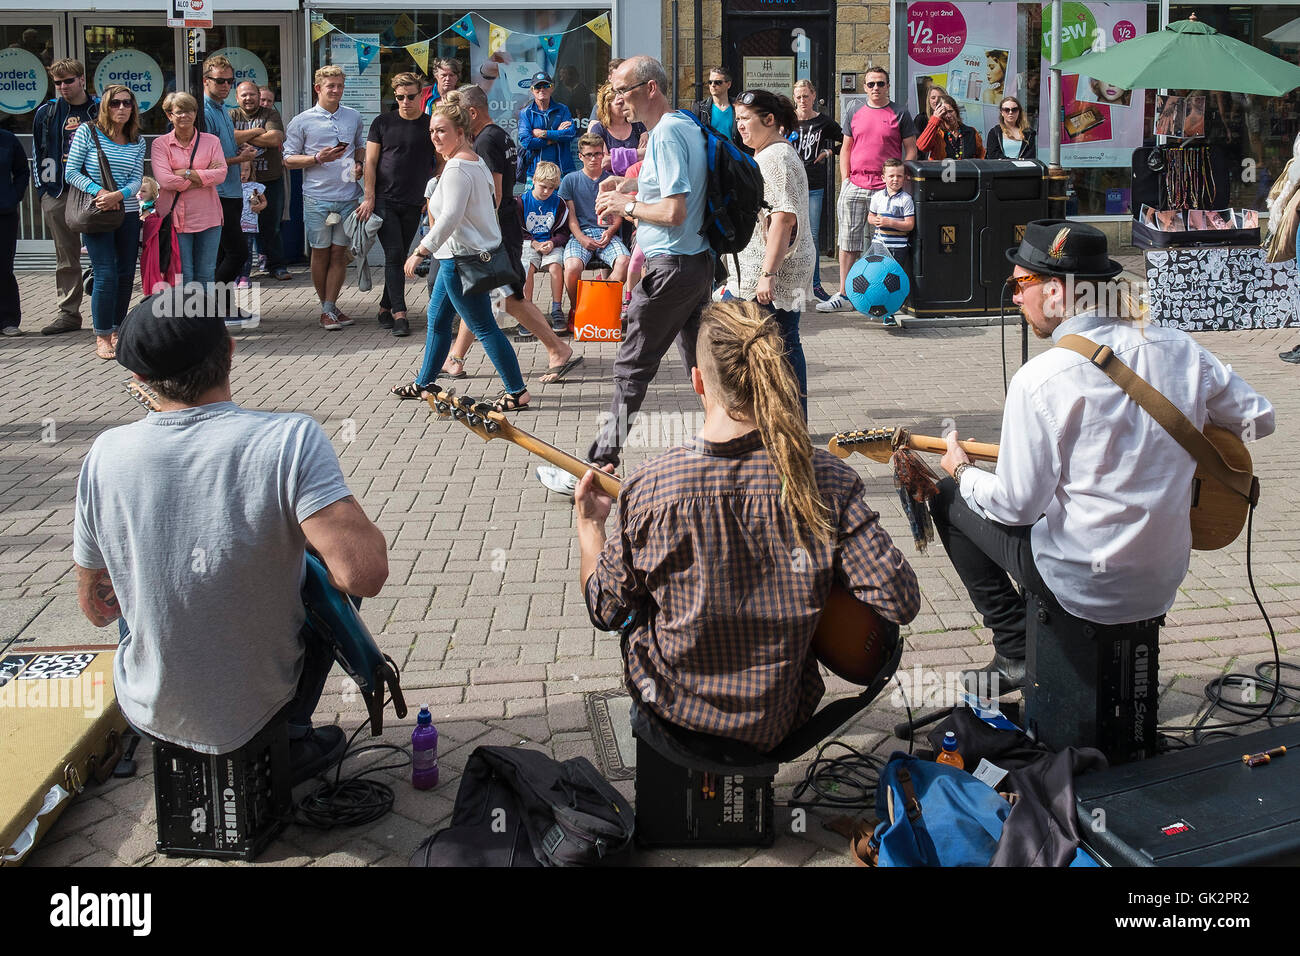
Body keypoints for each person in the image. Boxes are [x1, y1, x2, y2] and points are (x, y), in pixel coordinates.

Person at [932, 220, 1274, 687]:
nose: (1014, 296)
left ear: (1054, 291)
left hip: (1083, 584)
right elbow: (1261, 418)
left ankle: (1013, 649)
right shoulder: (1178, 347)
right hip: (1162, 577)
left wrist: (964, 470)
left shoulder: (1042, 377)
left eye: (1020, 283)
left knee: (948, 497)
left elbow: (1016, 506)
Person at [73, 286, 388, 778]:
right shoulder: (290, 439)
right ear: (232, 353)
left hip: (150, 706)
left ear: (138, 377)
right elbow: (364, 574)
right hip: (263, 704)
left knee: (135, 572)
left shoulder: (104, 453)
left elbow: (96, 609)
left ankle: (182, 716)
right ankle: (290, 736)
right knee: (320, 571)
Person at [576, 299, 920, 748]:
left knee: (637, 599)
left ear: (697, 381)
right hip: (782, 718)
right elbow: (902, 601)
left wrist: (590, 528)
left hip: (674, 719)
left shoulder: (648, 488)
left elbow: (606, 610)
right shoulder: (829, 479)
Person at [537, 55, 713, 495]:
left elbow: (674, 211)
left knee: (631, 367)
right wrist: (628, 186)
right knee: (701, 368)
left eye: (622, 90)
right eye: (614, 91)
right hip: (693, 264)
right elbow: (676, 189)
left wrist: (624, 206)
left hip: (671, 268)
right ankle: (737, 450)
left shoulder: (668, 133)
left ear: (650, 88)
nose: (617, 100)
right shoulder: (680, 124)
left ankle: (598, 467)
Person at [393, 97, 533, 414]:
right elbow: (487, 204)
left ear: (461, 131)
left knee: (482, 326)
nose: (435, 137)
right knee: (438, 320)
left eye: (442, 131)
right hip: (455, 257)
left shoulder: (457, 167)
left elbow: (449, 217)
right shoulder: (474, 161)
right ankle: (425, 382)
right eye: (432, 131)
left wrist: (419, 251)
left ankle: (517, 391)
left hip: (460, 259)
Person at [438, 85, 580, 377]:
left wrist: (482, 231)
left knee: (510, 297)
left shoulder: (487, 141)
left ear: (472, 112)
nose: (459, 122)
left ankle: (556, 347)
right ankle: (456, 358)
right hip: (500, 230)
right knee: (484, 294)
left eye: (461, 115)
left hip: (498, 232)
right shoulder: (499, 136)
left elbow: (496, 194)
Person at [728, 90, 814, 416]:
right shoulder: (772, 154)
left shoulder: (776, 158)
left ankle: (789, 420)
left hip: (776, 272)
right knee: (783, 340)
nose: (740, 127)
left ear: (769, 120)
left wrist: (768, 274)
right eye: (737, 120)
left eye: (746, 119)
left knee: (778, 343)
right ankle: (790, 419)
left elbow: (783, 218)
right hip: (777, 268)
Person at [817, 66, 916, 314]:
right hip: (856, 185)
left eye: (880, 84)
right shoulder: (854, 111)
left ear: (888, 86)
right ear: (864, 87)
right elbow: (846, 148)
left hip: (885, 190)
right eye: (871, 84)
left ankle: (886, 298)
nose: (875, 88)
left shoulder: (900, 113)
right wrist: (846, 179)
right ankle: (844, 295)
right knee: (848, 242)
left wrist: (899, 181)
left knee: (886, 245)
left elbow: (911, 150)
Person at [65, 84, 145, 360]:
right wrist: (101, 193)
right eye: (115, 103)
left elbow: (137, 178)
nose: (121, 108)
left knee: (125, 274)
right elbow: (71, 171)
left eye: (127, 103)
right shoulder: (88, 132)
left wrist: (119, 195)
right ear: (105, 107)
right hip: (97, 210)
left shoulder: (136, 139)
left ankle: (117, 330)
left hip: (129, 212)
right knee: (105, 274)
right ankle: (101, 334)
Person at [283, 65, 366, 331]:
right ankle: (326, 308)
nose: (336, 90)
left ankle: (330, 307)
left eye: (340, 85)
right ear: (318, 88)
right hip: (317, 197)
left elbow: (360, 147)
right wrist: (317, 158)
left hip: (347, 196)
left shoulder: (353, 116)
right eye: (331, 86)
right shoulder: (302, 120)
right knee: (320, 253)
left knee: (339, 254)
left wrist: (359, 165)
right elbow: (288, 159)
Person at [358, 72, 438, 338]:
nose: (405, 101)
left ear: (420, 95)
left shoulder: (429, 125)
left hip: (414, 201)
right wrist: (369, 196)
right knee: (394, 255)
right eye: (400, 97)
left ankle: (383, 306)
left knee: (399, 254)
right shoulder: (382, 122)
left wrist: (432, 197)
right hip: (384, 200)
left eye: (411, 96)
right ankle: (399, 313)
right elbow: (370, 162)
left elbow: (440, 161)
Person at [33, 58, 99, 336]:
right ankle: (68, 313)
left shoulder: (100, 108)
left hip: (94, 191)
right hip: (58, 191)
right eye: (58, 82)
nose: (63, 87)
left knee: (102, 255)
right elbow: (38, 152)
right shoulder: (46, 112)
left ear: (82, 79)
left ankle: (106, 314)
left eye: (68, 81)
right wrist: (43, 193)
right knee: (66, 257)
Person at [151, 91, 225, 290]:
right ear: (169, 115)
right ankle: (185, 320)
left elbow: (221, 174)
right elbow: (165, 181)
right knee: (184, 273)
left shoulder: (211, 141)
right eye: (179, 111)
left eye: (190, 110)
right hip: (175, 219)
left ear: (195, 113)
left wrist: (184, 172)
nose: (185, 115)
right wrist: (203, 178)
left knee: (206, 272)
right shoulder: (160, 144)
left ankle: (205, 320)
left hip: (209, 216)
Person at [201, 55, 258, 288]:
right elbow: (205, 162)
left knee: (225, 254)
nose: (226, 86)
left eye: (229, 81)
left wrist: (238, 147)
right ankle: (205, 299)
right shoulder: (204, 112)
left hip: (231, 190)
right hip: (218, 192)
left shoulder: (223, 108)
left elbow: (222, 145)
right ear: (206, 81)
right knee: (237, 253)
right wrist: (239, 158)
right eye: (219, 81)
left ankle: (221, 307)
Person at [561, 134, 631, 314]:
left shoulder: (611, 179)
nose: (594, 159)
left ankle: (600, 304)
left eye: (598, 154)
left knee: (624, 262)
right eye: (589, 154)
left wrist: (611, 230)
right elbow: (571, 217)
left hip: (607, 232)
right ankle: (577, 309)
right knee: (572, 267)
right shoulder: (570, 180)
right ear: (581, 156)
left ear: (603, 154)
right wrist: (581, 238)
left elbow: (618, 213)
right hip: (580, 233)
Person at [231, 80, 291, 281]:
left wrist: (242, 138)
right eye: (244, 95)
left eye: (252, 94)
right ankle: (241, 270)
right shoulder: (231, 115)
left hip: (270, 179)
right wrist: (258, 131)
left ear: (258, 96)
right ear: (237, 98)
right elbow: (228, 138)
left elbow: (275, 139)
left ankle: (277, 266)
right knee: (241, 229)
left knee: (271, 226)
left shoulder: (270, 114)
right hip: (241, 182)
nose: (248, 98)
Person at [791, 78, 842, 302]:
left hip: (813, 185)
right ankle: (792, 283)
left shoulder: (823, 122)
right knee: (789, 235)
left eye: (806, 96)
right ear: (794, 98)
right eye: (799, 96)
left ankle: (816, 285)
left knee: (812, 235)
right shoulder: (787, 120)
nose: (803, 100)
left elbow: (848, 140)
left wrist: (829, 153)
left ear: (814, 96)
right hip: (790, 185)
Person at [518, 161, 569, 326]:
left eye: (551, 188)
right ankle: (527, 310)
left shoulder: (559, 203)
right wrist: (534, 243)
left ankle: (556, 308)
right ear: (533, 180)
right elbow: (517, 230)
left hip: (550, 243)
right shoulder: (521, 201)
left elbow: (563, 232)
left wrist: (553, 243)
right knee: (527, 267)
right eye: (543, 186)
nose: (547, 191)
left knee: (556, 266)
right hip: (529, 242)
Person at [867, 158, 915, 327]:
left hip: (897, 248)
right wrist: (875, 221)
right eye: (892, 176)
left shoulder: (906, 200)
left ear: (904, 178)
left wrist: (890, 223)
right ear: (883, 177)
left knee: (892, 282)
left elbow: (909, 225)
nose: (895, 179)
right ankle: (877, 308)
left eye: (899, 176)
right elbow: (870, 216)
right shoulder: (877, 197)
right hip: (879, 245)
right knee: (878, 279)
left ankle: (890, 313)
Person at [518, 72, 577, 184]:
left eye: (546, 86)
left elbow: (570, 133)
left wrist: (543, 133)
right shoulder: (526, 113)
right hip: (535, 174)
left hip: (562, 172)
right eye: (537, 87)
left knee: (562, 202)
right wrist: (554, 137)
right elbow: (526, 142)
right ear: (532, 90)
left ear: (552, 88)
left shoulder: (562, 110)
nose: (542, 90)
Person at [0, 127, 27, 335]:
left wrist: (13, 197)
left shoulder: (8, 139)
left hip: (4, 214)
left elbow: (21, 171)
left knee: (3, 267)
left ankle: (8, 320)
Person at [590, 84, 647, 174]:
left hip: (635, 181)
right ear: (608, 106)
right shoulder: (598, 129)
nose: (625, 106)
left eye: (627, 102)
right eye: (620, 103)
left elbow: (647, 156)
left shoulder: (638, 127)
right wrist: (637, 154)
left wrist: (614, 157)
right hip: (609, 182)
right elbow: (603, 163)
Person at [916, 94, 984, 161]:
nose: (948, 115)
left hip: (967, 171)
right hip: (941, 171)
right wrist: (935, 119)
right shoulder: (937, 134)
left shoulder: (971, 132)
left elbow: (981, 157)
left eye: (951, 111)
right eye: (944, 113)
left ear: (956, 111)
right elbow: (922, 147)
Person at [691, 66, 744, 149]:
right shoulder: (700, 108)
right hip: (710, 155)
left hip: (733, 156)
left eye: (718, 82)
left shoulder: (738, 107)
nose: (713, 85)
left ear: (728, 84)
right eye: (710, 82)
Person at [237, 162, 266, 288]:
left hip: (249, 225)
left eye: (247, 170)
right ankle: (234, 275)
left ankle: (245, 276)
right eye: (240, 170)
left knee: (247, 251)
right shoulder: (230, 186)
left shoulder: (255, 187)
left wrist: (259, 206)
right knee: (234, 251)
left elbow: (264, 201)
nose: (243, 173)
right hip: (234, 224)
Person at [985, 96, 1035, 160]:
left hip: (1022, 169)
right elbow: (993, 155)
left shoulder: (1029, 133)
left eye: (1014, 109)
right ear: (1001, 112)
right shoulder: (994, 132)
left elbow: (1031, 156)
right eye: (1006, 110)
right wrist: (1012, 162)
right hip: (1001, 168)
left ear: (1019, 112)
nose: (1010, 112)